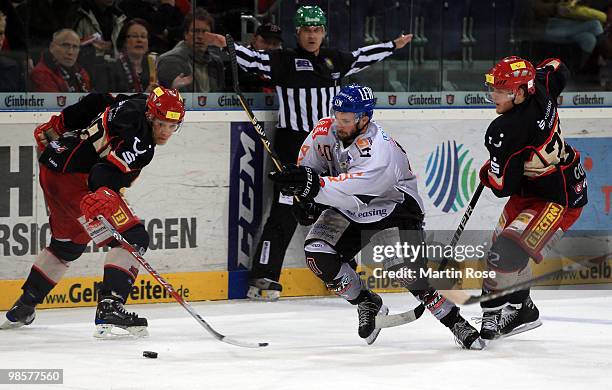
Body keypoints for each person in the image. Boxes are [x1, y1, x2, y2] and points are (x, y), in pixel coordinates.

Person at [206, 5, 413, 301]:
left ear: (324, 32)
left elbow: (361, 57)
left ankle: (342, 272)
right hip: (292, 147)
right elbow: (252, 59)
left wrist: (392, 45)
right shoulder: (283, 60)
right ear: (298, 33)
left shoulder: (334, 61)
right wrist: (225, 45)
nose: (312, 35)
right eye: (307, 30)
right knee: (286, 210)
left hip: (331, 149)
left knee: (340, 207)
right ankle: (264, 276)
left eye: (317, 30)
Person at [268, 84, 484, 349]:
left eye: (346, 120)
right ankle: (366, 301)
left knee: (405, 271)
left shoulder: (377, 149)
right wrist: (302, 200)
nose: (338, 124)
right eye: (337, 116)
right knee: (317, 254)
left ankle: (455, 322)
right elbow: (309, 171)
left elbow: (352, 190)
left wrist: (314, 188)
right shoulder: (324, 132)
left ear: (364, 119)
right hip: (350, 210)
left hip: (394, 207)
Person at [0, 86, 185, 338]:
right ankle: (110, 306)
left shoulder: (137, 101)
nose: (165, 132)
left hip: (55, 165)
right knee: (134, 237)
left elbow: (98, 99)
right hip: (80, 180)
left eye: (171, 127)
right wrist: (104, 192)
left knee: (67, 245)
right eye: (161, 124)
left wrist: (60, 124)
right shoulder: (141, 143)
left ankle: (24, 306)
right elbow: (103, 172)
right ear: (151, 115)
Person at [478, 56, 588, 340]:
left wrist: (487, 173)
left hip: (558, 199)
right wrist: (534, 72)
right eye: (495, 88)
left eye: (502, 91)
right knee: (503, 247)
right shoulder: (540, 86)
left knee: (505, 252)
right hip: (538, 188)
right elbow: (559, 65)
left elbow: (502, 186)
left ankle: (492, 314)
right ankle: (521, 308)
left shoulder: (506, 129)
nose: (494, 96)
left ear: (520, 92)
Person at [157, 7, 225, 92]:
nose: (200, 36)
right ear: (185, 34)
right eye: (195, 31)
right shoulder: (170, 60)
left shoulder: (216, 62)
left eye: (205, 32)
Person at [95, 18, 157, 92]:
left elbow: (160, 91)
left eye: (143, 36)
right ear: (124, 41)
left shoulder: (153, 65)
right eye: (134, 36)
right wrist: (144, 95)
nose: (139, 40)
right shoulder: (111, 67)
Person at [238, 22, 283, 93]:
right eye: (266, 42)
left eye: (275, 44)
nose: (270, 47)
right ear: (254, 39)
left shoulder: (285, 66)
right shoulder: (237, 63)